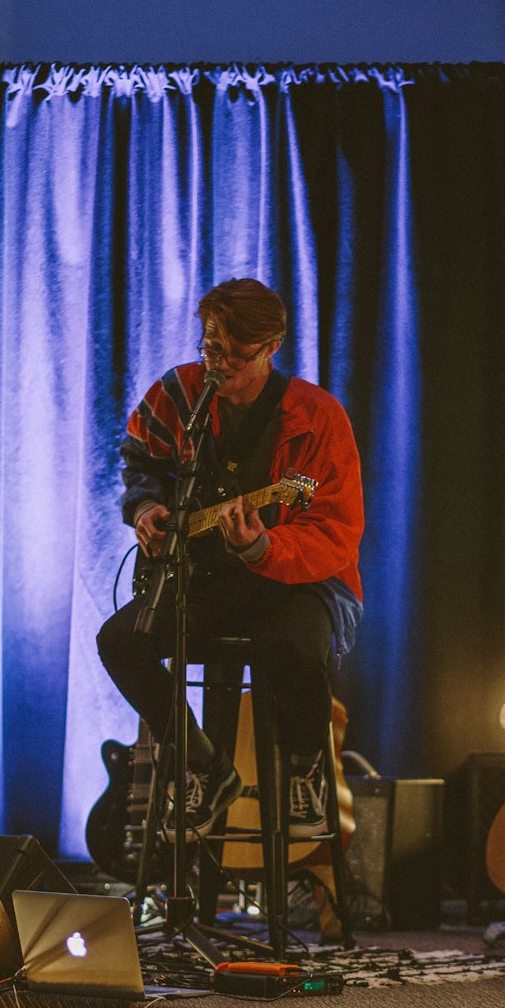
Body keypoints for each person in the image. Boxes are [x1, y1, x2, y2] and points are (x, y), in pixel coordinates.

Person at [96, 277, 364, 842]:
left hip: (299, 583)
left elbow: (334, 532)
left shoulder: (318, 417)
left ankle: (306, 769)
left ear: (272, 348)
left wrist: (261, 546)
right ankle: (206, 767)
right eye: (211, 348)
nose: (221, 366)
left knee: (292, 644)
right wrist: (144, 506)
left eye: (237, 356)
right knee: (121, 640)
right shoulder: (180, 392)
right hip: (206, 580)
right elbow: (139, 454)